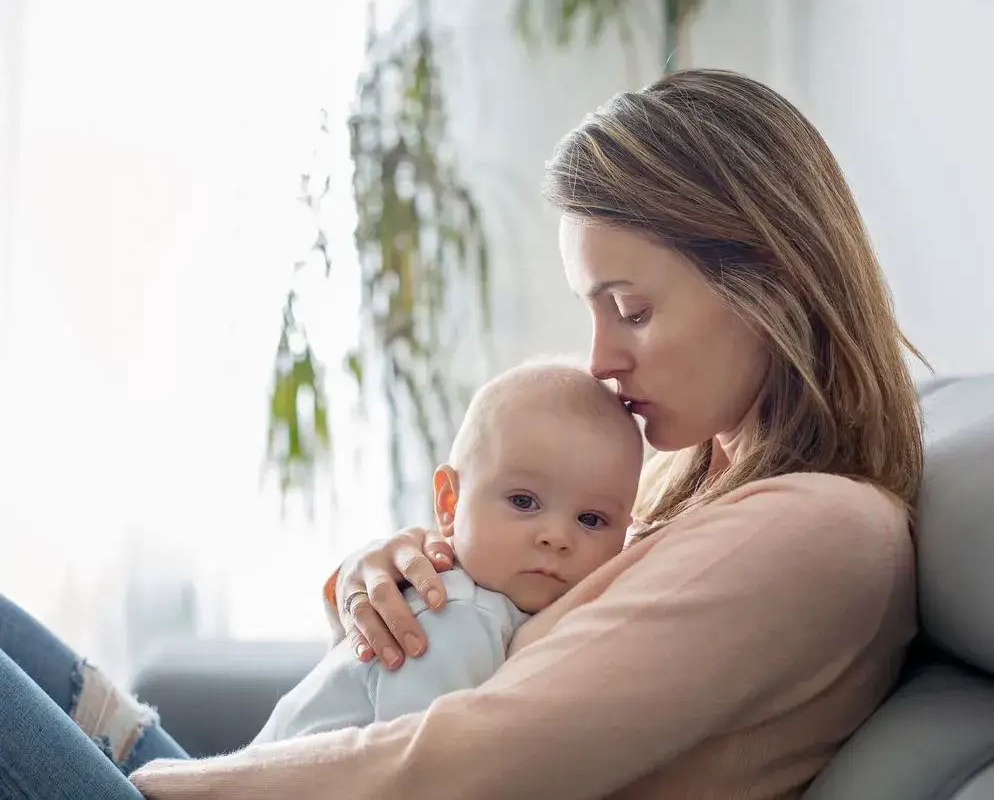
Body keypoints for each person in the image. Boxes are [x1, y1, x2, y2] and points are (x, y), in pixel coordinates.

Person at [0, 69, 923, 800]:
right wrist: (391, 588)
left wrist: (158, 788)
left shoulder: (823, 530)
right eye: (593, 311)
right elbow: (484, 669)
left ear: (770, 279)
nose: (601, 359)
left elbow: (473, 760)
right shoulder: (695, 499)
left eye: (633, 310)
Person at [253, 360, 642, 741]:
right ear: (449, 503)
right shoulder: (456, 615)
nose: (557, 537)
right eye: (524, 501)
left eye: (591, 519)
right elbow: (416, 764)